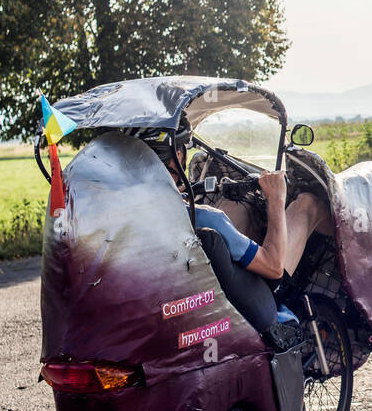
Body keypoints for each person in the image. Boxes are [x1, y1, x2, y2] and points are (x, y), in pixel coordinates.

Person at [135, 120, 332, 350]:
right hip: (251, 305)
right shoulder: (207, 219)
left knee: (237, 207)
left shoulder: (128, 219)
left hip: (179, 309)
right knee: (308, 204)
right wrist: (276, 198)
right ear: (177, 155)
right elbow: (274, 267)